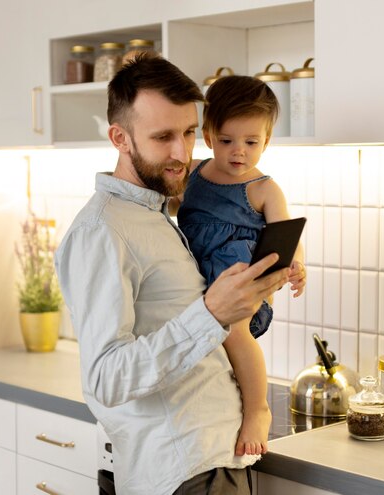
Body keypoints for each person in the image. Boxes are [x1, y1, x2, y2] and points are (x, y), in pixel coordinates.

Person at [55, 54, 289, 495]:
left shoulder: (159, 212)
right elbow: (106, 379)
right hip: (186, 471)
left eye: (186, 132)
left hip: (206, 457)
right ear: (120, 138)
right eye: (163, 137)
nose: (182, 154)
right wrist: (211, 313)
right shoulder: (103, 231)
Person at [170, 75, 306, 457]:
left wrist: (297, 265)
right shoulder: (192, 174)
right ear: (208, 134)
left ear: (267, 140)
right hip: (199, 282)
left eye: (251, 142)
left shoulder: (263, 189)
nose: (238, 152)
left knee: (232, 333)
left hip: (241, 281)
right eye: (227, 141)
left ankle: (256, 410)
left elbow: (287, 236)